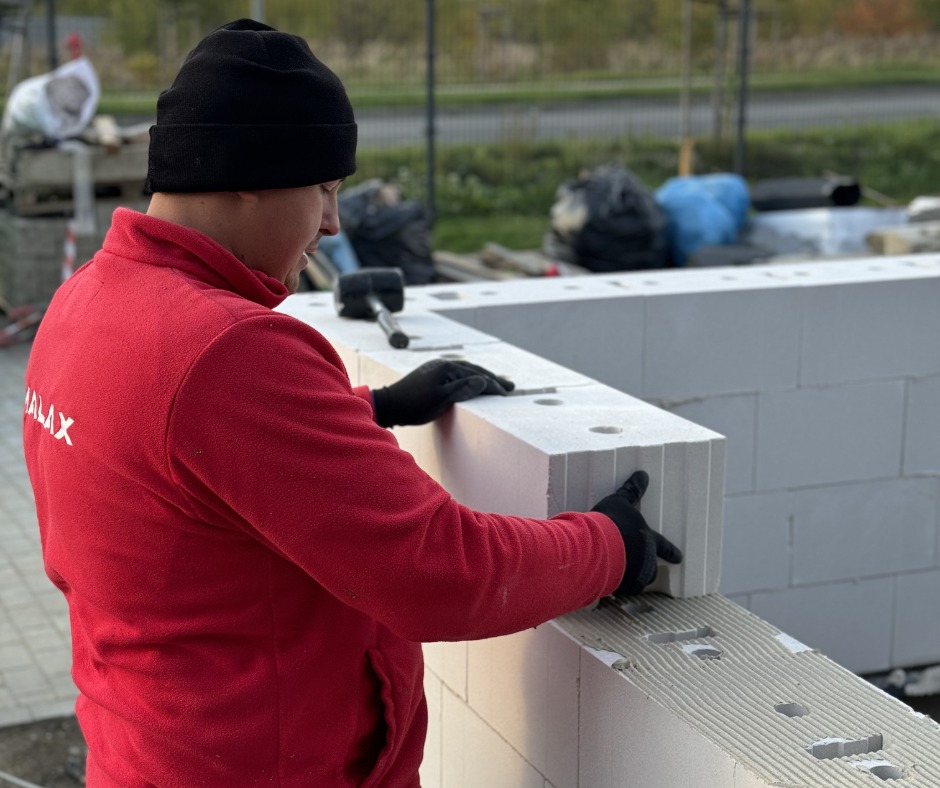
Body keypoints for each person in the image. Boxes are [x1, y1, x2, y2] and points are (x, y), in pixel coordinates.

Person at [22, 19, 682, 788]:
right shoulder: (227, 349)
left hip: (145, 752)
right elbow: (441, 575)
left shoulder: (85, 305)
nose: (333, 224)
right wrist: (610, 546)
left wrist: (370, 410)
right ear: (249, 174)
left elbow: (178, 472)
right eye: (326, 190)